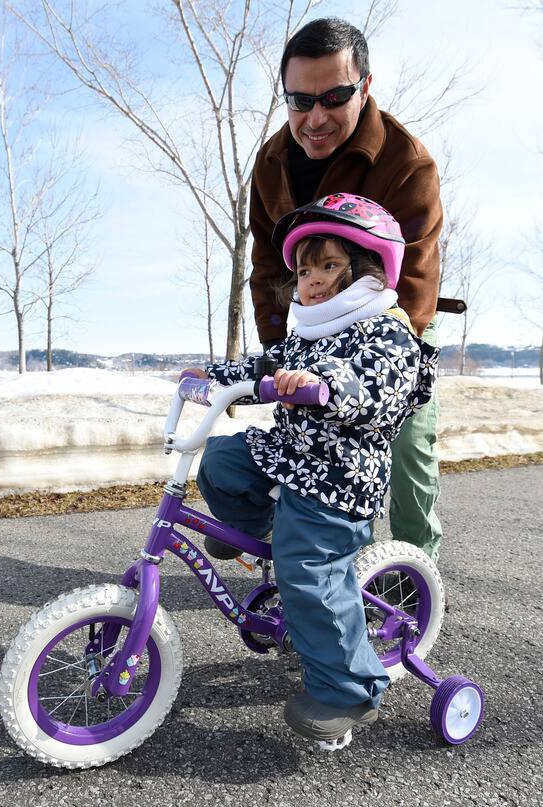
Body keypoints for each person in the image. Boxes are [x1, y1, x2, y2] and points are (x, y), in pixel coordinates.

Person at [183, 193, 438, 746]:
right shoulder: (307, 331)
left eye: (329, 266)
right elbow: (265, 364)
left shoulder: (387, 333)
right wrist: (212, 375)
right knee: (222, 459)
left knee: (309, 572)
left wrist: (328, 385)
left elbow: (378, 388)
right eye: (304, 270)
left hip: (339, 481)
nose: (314, 281)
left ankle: (349, 691)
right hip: (292, 455)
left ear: (367, 269)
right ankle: (256, 528)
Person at [249, 17, 445, 561]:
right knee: (301, 439)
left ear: (365, 86)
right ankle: (311, 554)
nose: (315, 118)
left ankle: (410, 584)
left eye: (333, 97)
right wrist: (276, 354)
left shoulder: (407, 163)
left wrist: (374, 373)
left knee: (404, 449)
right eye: (299, 100)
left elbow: (413, 279)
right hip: (312, 319)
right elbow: (267, 264)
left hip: (395, 320)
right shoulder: (270, 164)